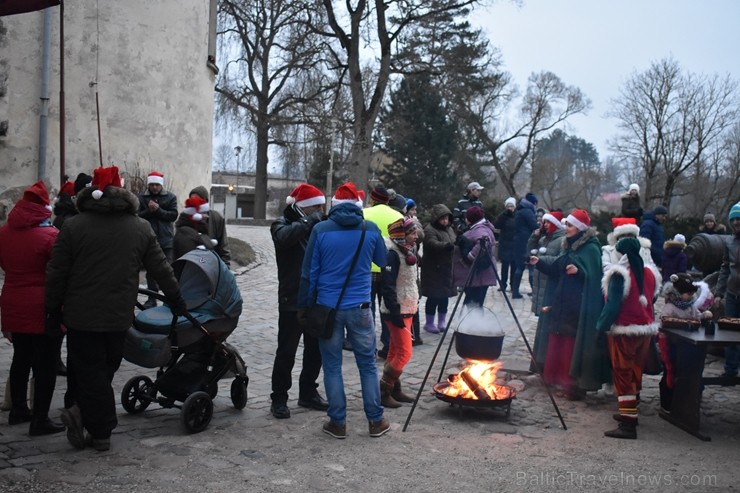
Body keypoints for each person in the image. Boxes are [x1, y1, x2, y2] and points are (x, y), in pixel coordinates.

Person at [46, 166, 186, 451]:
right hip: (118, 317)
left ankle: (90, 422)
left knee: (88, 371)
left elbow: (57, 272)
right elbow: (160, 268)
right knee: (104, 370)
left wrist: (51, 308)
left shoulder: (73, 226)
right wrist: (176, 297)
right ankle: (98, 428)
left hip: (80, 316)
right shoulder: (140, 227)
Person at [298, 182, 389, 439]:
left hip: (328, 308)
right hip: (361, 308)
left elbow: (309, 274)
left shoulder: (320, 230)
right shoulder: (369, 230)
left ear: (334, 205)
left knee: (332, 366)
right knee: (368, 366)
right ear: (359, 206)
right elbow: (382, 262)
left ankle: (338, 422)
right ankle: (376, 420)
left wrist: (304, 305)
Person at [0, 181, 65, 436]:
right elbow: (59, 271)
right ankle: (40, 418)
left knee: (20, 357)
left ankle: (18, 410)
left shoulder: (4, 233)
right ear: (45, 208)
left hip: (13, 298)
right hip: (42, 304)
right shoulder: (51, 236)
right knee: (46, 364)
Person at [530, 209, 609, 400]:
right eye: (567, 225)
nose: (567, 228)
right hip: (562, 302)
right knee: (559, 340)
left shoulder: (591, 248)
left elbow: (593, 275)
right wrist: (539, 262)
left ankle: (572, 385)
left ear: (580, 228)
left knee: (571, 344)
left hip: (579, 306)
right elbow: (558, 266)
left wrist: (579, 271)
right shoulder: (568, 246)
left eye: (570, 225)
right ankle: (556, 378)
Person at [269, 184, 329, 420]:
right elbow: (283, 239)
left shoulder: (318, 226)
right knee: (287, 350)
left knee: (315, 350)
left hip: (315, 298)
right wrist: (310, 221)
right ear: (306, 207)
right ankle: (279, 397)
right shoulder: (281, 223)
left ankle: (308, 391)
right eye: (317, 206)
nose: (321, 210)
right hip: (291, 297)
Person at [596, 237, 660, 439]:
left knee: (623, 374)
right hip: (644, 330)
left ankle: (628, 425)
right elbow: (653, 298)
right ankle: (631, 411)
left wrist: (601, 327)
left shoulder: (619, 275)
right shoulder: (649, 273)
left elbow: (612, 306)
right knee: (635, 371)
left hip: (624, 330)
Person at [378, 217, 420, 408]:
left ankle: (395, 389)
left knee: (395, 349)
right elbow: (387, 286)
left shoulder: (408, 251)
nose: (416, 235)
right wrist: (394, 310)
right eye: (412, 232)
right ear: (401, 236)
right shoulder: (392, 255)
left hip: (407, 307)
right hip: (396, 310)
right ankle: (383, 391)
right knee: (404, 352)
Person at [658, 273, 713, 414]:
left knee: (688, 371)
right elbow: (665, 322)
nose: (690, 296)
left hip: (687, 345)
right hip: (672, 345)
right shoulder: (670, 307)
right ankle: (667, 403)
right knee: (671, 373)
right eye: (688, 293)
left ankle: (686, 400)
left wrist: (704, 315)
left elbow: (696, 317)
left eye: (692, 293)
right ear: (678, 293)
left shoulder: (690, 306)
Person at [362, 185, 403, 359]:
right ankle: (388, 345)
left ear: (372, 199)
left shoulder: (363, 214)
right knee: (387, 308)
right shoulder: (398, 216)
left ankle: (368, 345)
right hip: (389, 269)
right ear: (388, 200)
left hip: (367, 269)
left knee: (367, 309)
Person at [138, 171, 178, 309]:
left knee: (168, 270)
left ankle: (170, 298)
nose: (154, 187)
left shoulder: (170, 197)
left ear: (160, 185)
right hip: (149, 239)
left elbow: (173, 215)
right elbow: (137, 216)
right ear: (149, 184)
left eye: (157, 185)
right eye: (152, 185)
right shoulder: (142, 198)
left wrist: (158, 210)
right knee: (151, 271)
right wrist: (149, 210)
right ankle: (151, 298)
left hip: (166, 239)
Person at [420, 204, 457, 334]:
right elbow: (431, 243)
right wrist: (446, 246)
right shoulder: (430, 229)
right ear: (436, 218)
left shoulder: (449, 229)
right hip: (433, 269)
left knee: (444, 297)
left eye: (447, 218)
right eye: (442, 219)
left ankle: (442, 321)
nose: (445, 221)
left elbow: (454, 241)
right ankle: (429, 323)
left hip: (447, 268)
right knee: (433, 297)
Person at [714, 203, 740, 379]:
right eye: (734, 220)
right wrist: (718, 292)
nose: (737, 222)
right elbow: (724, 267)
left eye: (739, 219)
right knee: (730, 331)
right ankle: (730, 370)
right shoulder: (729, 241)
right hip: (732, 293)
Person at [452, 206, 497, 307]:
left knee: (474, 305)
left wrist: (471, 256)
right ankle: (473, 322)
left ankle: (473, 323)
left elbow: (483, 242)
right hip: (479, 275)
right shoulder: (482, 227)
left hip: (477, 276)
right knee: (475, 304)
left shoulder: (480, 230)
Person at [527, 211, 565, 316]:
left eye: (548, 222)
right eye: (544, 222)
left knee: (547, 312)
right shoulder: (543, 239)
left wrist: (541, 259)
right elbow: (530, 251)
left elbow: (560, 259)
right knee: (540, 313)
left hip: (549, 280)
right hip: (539, 280)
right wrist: (534, 237)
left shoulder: (562, 240)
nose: (545, 225)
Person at [188, 186, 231, 267]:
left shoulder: (217, 218)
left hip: (212, 264)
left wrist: (225, 267)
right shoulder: (187, 219)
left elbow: (223, 246)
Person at [511, 193, 539, 299]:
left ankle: (515, 291)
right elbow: (534, 225)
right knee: (531, 265)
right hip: (526, 242)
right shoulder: (528, 211)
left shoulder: (519, 210)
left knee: (519, 266)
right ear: (534, 203)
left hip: (518, 241)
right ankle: (535, 291)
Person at [172, 195, 218, 262]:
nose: (207, 216)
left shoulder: (199, 230)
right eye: (203, 213)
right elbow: (189, 260)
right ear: (196, 215)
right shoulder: (185, 234)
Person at [405, 198, 424, 346]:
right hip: (405, 276)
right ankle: (408, 335)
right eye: (412, 210)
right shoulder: (403, 224)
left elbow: (420, 237)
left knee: (414, 304)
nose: (414, 213)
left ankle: (415, 335)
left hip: (413, 274)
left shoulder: (414, 224)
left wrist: (415, 222)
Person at [493, 197, 517, 293]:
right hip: (505, 244)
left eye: (511, 206)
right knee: (504, 267)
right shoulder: (503, 216)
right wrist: (503, 215)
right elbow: (496, 225)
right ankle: (503, 284)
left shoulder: (518, 216)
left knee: (514, 267)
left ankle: (513, 285)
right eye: (508, 206)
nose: (510, 208)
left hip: (515, 245)